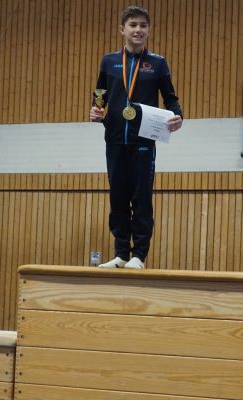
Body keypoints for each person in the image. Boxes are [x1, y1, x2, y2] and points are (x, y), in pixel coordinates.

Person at [90, 5, 183, 269]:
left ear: (149, 30)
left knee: (141, 199)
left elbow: (171, 98)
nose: (138, 30)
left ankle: (139, 256)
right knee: (118, 197)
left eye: (143, 25)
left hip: (144, 141)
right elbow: (100, 93)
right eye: (133, 25)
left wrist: (178, 116)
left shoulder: (157, 63)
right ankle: (121, 253)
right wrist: (96, 109)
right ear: (122, 29)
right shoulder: (109, 61)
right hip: (115, 139)